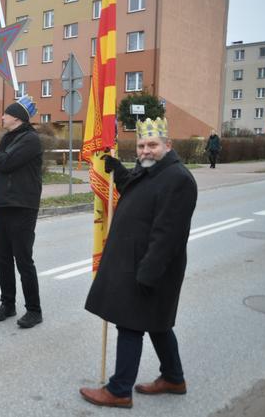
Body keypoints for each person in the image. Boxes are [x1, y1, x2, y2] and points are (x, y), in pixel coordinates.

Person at [79, 117, 198, 409]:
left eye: (153, 145)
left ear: (168, 146)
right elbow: (134, 187)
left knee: (130, 324)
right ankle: (173, 377)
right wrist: (117, 170)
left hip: (150, 268)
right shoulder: (151, 172)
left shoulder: (178, 179)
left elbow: (168, 234)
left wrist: (148, 273)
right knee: (157, 323)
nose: (145, 151)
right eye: (142, 145)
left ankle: (119, 390)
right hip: (138, 264)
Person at [0, 95, 43, 329]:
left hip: (22, 207)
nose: (1, 117)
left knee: (23, 260)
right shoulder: (7, 138)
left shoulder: (31, 140)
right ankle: (7, 303)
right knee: (3, 259)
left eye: (5, 114)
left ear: (16, 118)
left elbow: (7, 163)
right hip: (2, 206)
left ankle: (34, 310)